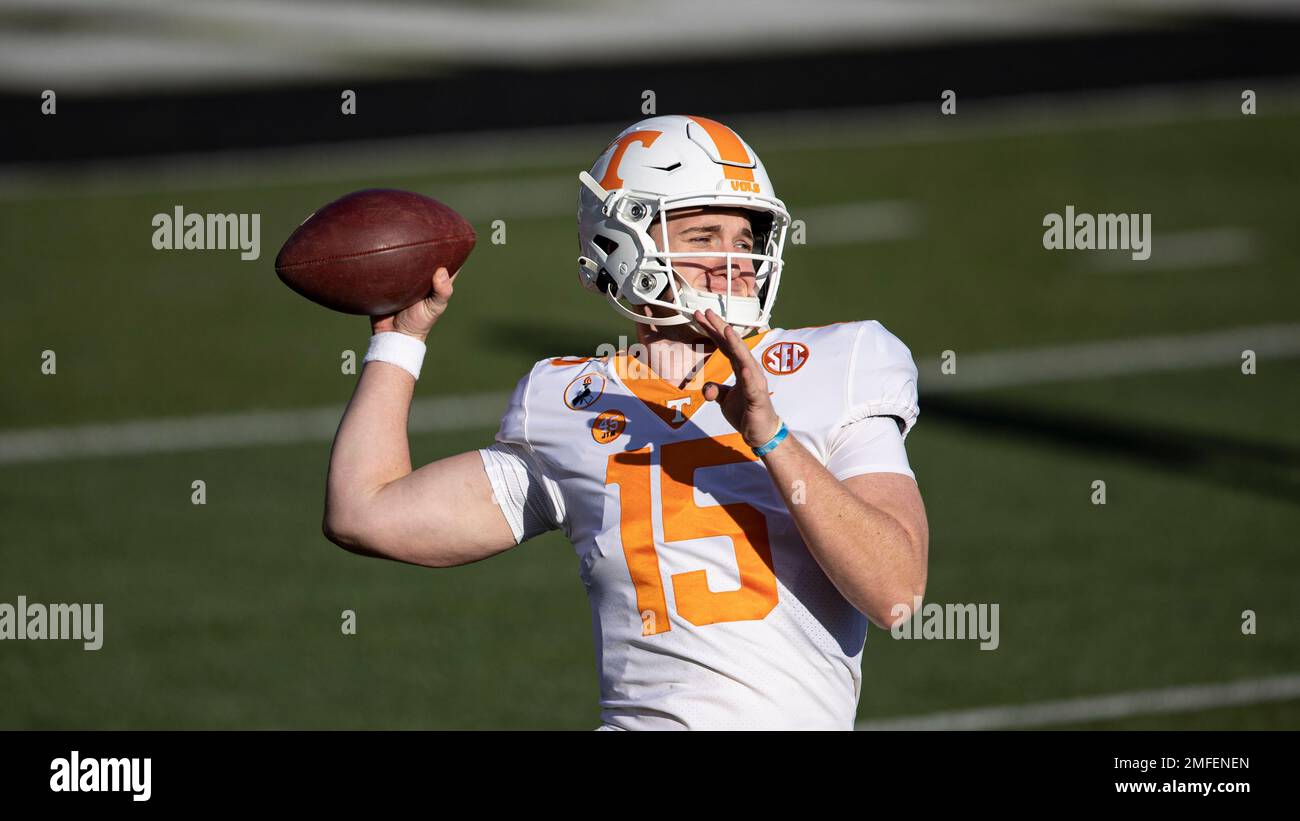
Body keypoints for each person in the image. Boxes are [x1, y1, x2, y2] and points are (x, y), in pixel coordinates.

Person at [323, 115, 929, 730]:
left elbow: (895, 593)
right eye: (702, 238)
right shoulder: (568, 400)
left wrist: (773, 439)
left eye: (744, 238)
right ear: (622, 245)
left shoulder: (841, 361)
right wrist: (398, 344)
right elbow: (364, 514)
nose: (735, 261)